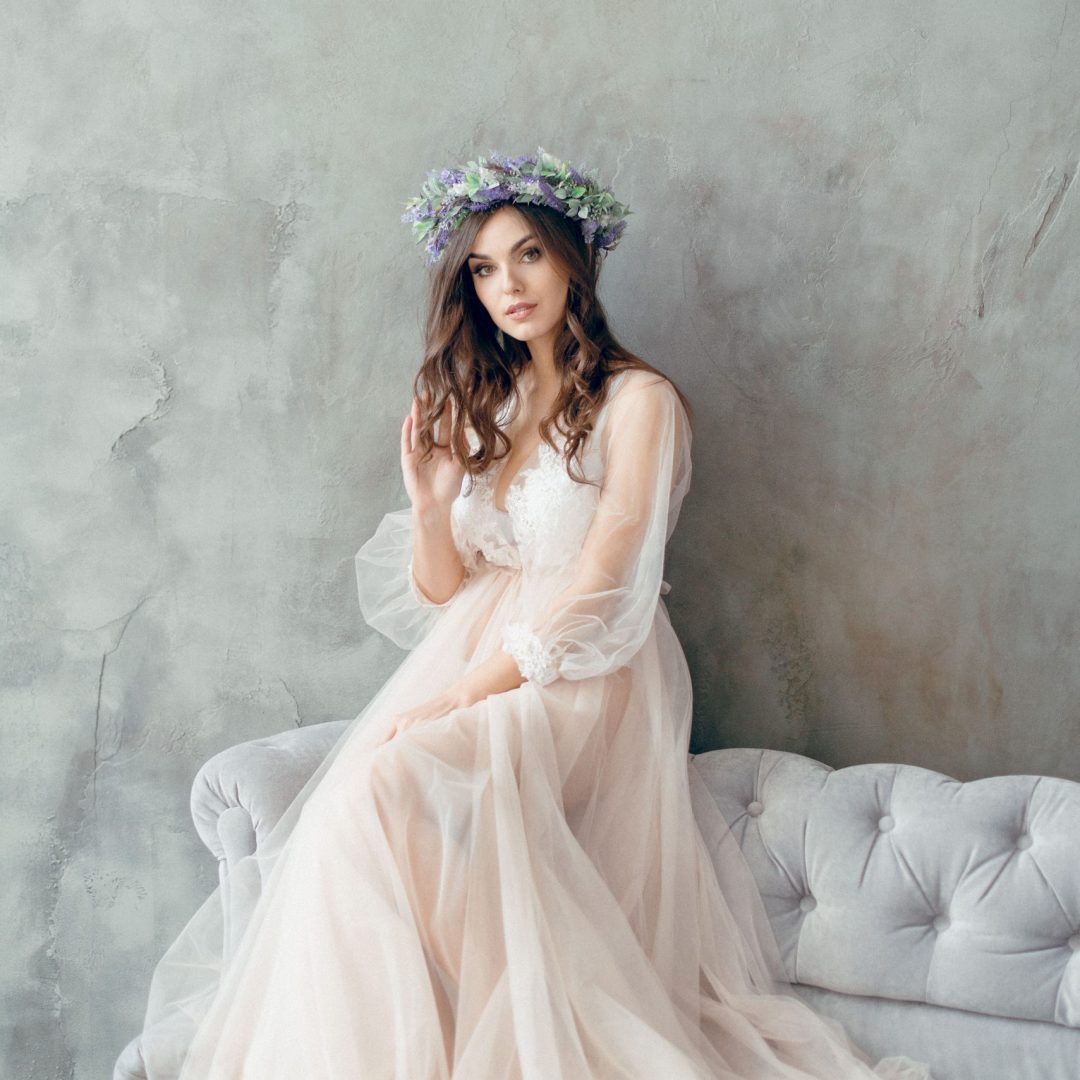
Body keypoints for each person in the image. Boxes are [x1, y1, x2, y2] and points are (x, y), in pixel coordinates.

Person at [118, 148, 934, 1078]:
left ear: (574, 260)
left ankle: (559, 1029)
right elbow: (437, 588)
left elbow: (604, 577)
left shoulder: (642, 401)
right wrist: (429, 506)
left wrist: (464, 694)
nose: (508, 285)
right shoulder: (495, 398)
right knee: (350, 810)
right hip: (483, 650)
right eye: (484, 267)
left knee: (381, 789)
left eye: (529, 256)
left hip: (588, 665)